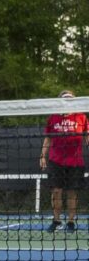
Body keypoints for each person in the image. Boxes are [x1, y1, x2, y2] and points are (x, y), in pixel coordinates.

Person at [39, 90, 87, 232]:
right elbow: (48, 138)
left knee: (72, 192)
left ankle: (71, 222)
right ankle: (56, 220)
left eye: (70, 100)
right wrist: (42, 156)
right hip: (56, 161)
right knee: (56, 191)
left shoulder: (81, 117)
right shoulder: (53, 118)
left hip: (76, 162)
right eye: (64, 100)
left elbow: (87, 136)